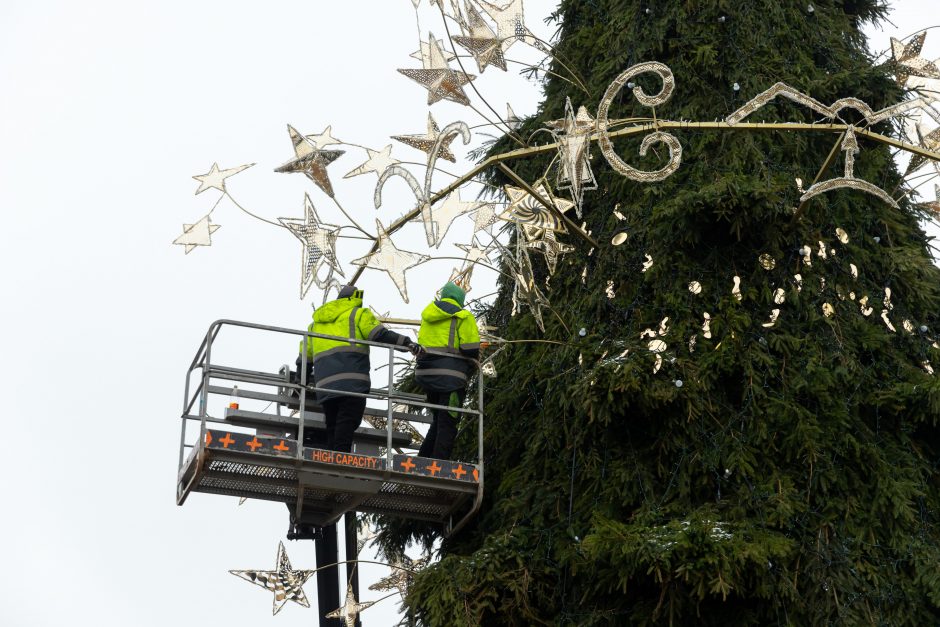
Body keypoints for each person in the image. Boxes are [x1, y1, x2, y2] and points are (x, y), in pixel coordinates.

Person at [299, 284, 421, 453]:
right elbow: (380, 335)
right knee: (348, 421)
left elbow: (303, 359)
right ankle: (340, 459)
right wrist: (408, 343)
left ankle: (331, 458)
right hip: (352, 382)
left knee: (333, 424)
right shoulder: (357, 314)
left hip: (325, 386)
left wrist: (302, 382)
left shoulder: (315, 325)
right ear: (355, 298)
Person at [415, 282, 480, 460]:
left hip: (427, 376)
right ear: (460, 299)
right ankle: (438, 468)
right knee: (448, 423)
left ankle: (422, 461)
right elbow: (470, 349)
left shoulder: (428, 315)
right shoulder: (464, 316)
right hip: (451, 379)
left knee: (438, 421)